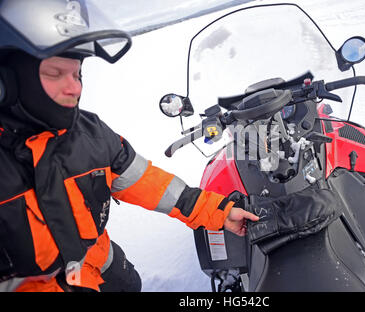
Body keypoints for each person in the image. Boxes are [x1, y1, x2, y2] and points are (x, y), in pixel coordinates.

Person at [0, 0, 258, 292]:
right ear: (6, 80)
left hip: (107, 273)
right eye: (54, 73)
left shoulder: (90, 133)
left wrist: (220, 212)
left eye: (77, 74)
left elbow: (149, 183)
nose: (74, 88)